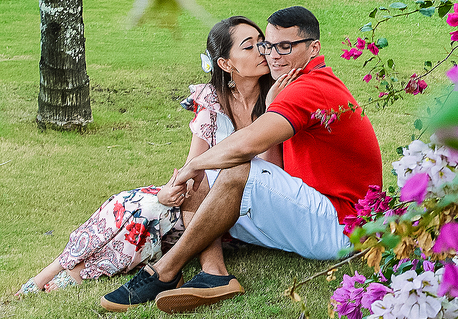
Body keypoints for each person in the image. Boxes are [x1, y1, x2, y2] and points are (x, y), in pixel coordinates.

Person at [100, 6, 384, 313]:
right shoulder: (293, 86)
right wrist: (199, 170)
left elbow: (245, 147)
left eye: (285, 47)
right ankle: (214, 273)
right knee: (204, 182)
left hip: (342, 226)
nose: (273, 55)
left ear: (314, 47)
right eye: (269, 45)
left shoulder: (310, 87)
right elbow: (272, 168)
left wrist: (194, 165)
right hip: (319, 215)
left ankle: (166, 270)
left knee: (234, 168)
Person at [19, 17, 280, 297]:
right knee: (127, 205)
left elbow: (269, 172)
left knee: (149, 212)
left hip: (242, 205)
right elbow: (194, 167)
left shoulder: (276, 97)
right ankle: (59, 271)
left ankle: (72, 274)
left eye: (261, 42)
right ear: (226, 65)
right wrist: (171, 189)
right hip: (203, 200)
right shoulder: (212, 101)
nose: (262, 50)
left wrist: (271, 108)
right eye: (249, 46)